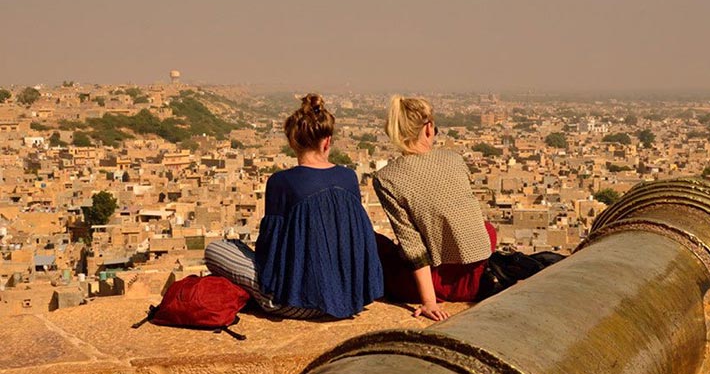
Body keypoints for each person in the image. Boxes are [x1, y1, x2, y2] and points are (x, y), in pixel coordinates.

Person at [374, 96, 563, 321]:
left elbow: (413, 248)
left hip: (441, 282)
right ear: (428, 129)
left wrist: (429, 302)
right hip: (477, 268)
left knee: (376, 244)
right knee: (487, 228)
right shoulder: (453, 159)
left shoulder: (387, 178)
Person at [205, 93, 383, 319]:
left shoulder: (281, 182)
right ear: (327, 140)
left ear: (292, 142)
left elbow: (269, 250)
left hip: (293, 303)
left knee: (216, 250)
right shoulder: (349, 177)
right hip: (352, 299)